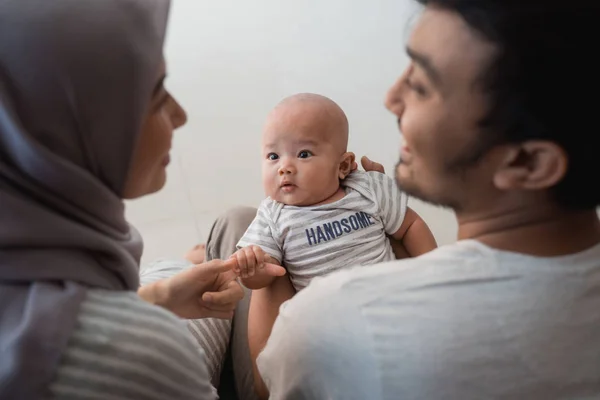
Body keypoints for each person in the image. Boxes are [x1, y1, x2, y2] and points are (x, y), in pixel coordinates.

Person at [254, 0, 600, 398]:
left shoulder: (335, 318)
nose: (391, 98)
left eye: (421, 85)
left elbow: (266, 388)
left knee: (235, 221)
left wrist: (269, 274)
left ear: (528, 161)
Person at [0, 1, 244, 398]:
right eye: (158, 95)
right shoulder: (133, 354)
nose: (180, 115)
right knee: (239, 223)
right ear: (78, 123)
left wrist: (158, 298)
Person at [230, 93, 436, 395]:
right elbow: (269, 278)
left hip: (391, 310)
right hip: (323, 334)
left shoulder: (367, 189)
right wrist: (252, 268)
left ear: (343, 166)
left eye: (303, 154)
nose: (284, 167)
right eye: (273, 156)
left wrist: (433, 270)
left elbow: (410, 225)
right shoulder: (272, 215)